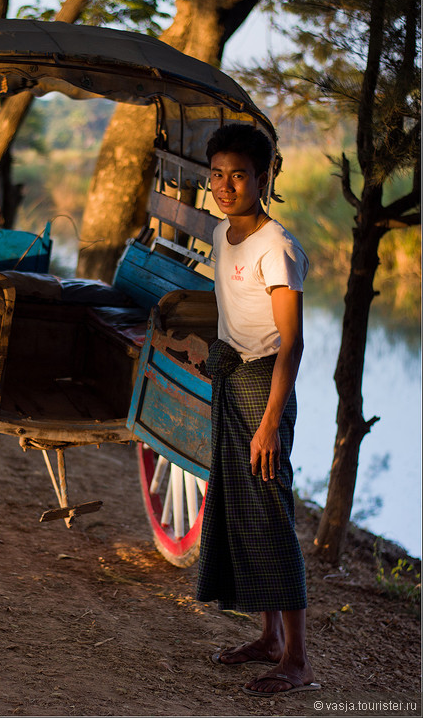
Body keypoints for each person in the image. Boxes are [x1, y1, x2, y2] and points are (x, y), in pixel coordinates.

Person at [196, 123, 320, 697]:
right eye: (217, 174)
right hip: (233, 377)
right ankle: (267, 638)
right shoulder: (224, 234)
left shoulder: (279, 247)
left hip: (265, 388)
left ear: (264, 177)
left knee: (269, 512)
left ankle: (296, 659)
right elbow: (234, 316)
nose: (225, 186)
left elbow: (290, 342)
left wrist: (271, 421)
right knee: (241, 508)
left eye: (238, 175)